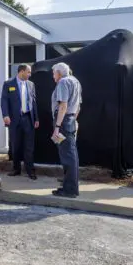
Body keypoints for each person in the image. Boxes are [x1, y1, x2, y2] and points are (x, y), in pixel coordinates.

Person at [0, 64, 39, 180]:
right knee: (15, 145)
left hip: (28, 118)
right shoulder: (9, 84)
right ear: (21, 72)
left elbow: (34, 102)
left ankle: (30, 170)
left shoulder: (31, 84)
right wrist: (5, 115)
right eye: (28, 72)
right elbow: (4, 101)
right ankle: (16, 169)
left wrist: (36, 118)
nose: (30, 74)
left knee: (29, 146)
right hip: (14, 119)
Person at [51, 62, 81, 198]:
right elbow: (78, 106)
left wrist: (57, 127)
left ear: (59, 72)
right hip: (70, 120)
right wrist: (73, 119)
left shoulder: (63, 82)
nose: (53, 76)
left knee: (68, 156)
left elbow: (63, 106)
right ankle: (70, 186)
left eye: (53, 73)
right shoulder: (76, 81)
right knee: (71, 155)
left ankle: (70, 190)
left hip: (63, 122)